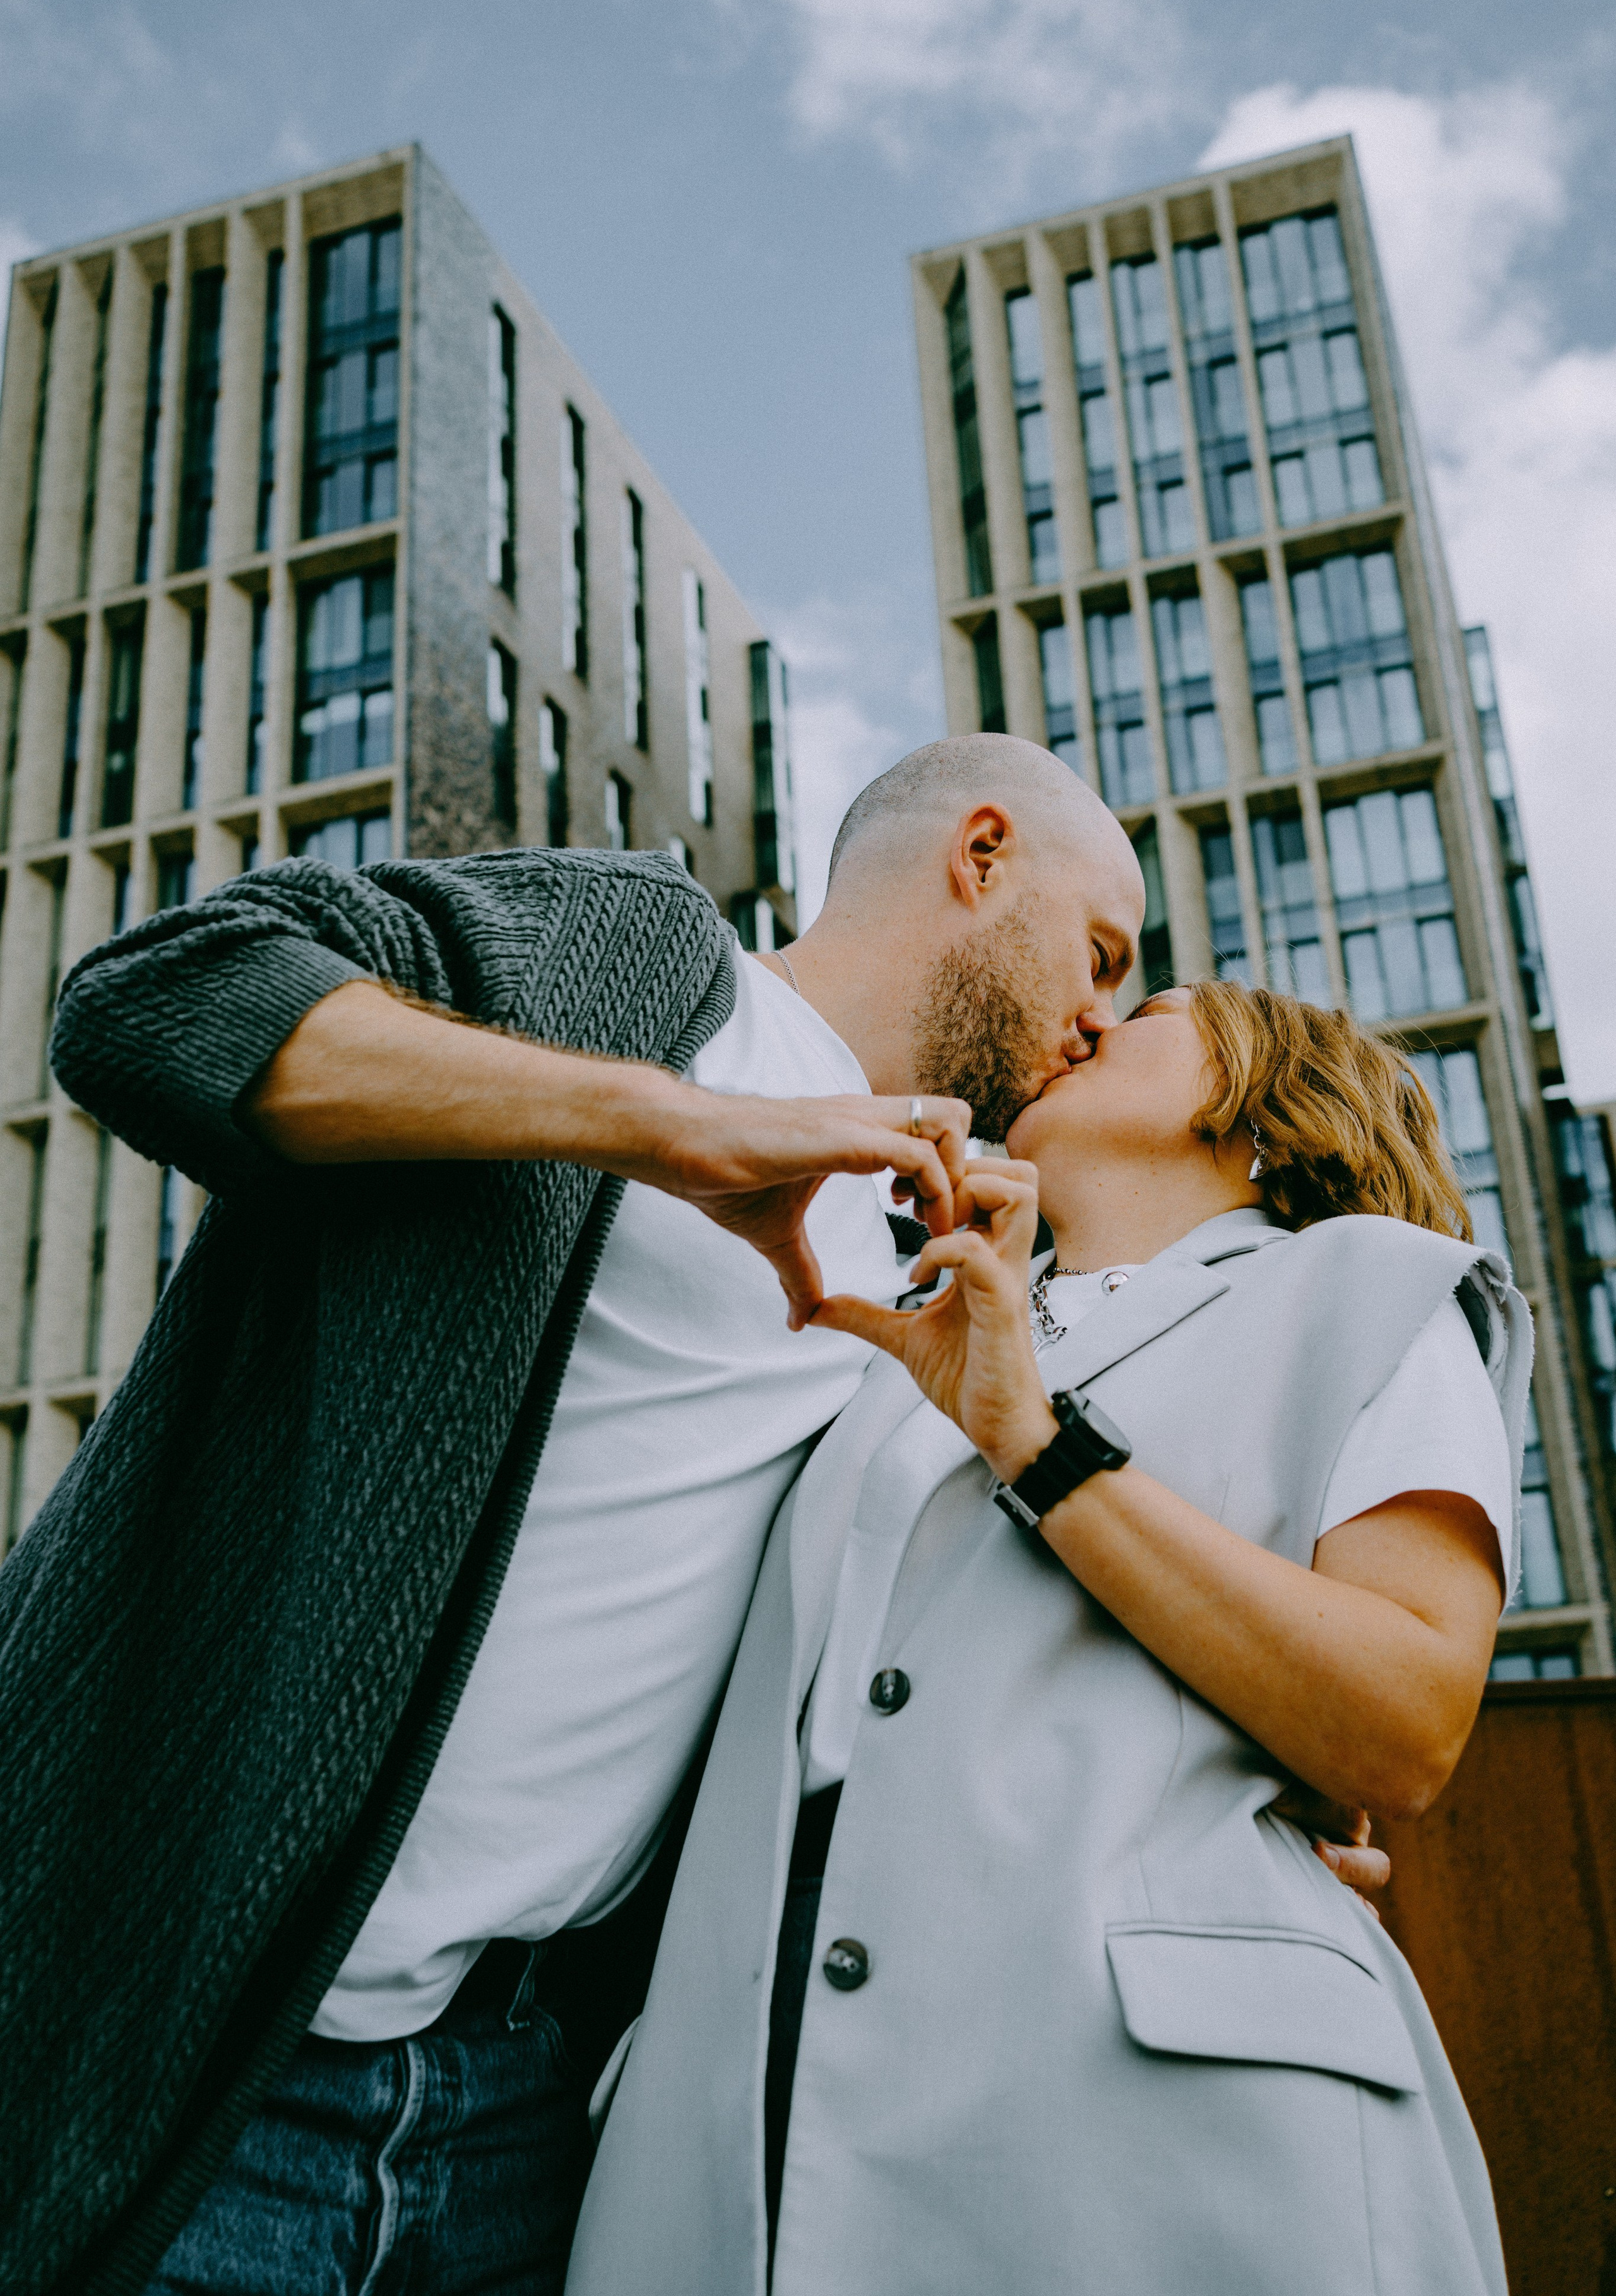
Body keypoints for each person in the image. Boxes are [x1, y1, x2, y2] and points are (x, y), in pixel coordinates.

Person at [5, 736, 1229, 2296]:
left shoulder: (956, 1251)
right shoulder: (650, 967)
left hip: (524, 2112)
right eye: (1102, 955)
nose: (1101, 1021)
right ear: (980, 857)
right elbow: (153, 999)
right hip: (194, 2038)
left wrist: (1203, 1815)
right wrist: (667, 1128)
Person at [565, 980, 1526, 2296]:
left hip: (1157, 2118)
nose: (1095, 1019)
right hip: (757, 2090)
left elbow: (1405, 1719)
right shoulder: (902, 1336)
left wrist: (1036, 1441)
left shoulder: (1366, 1285)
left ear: (1257, 1097)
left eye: (1156, 1004)